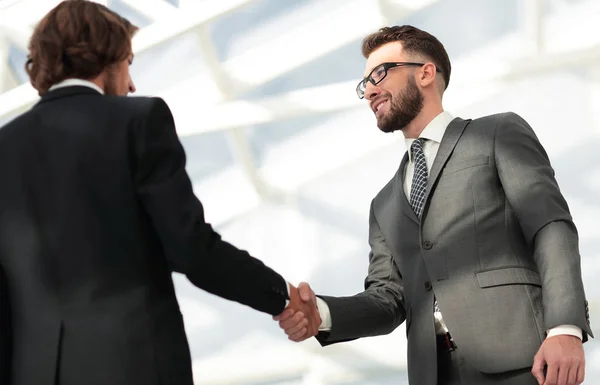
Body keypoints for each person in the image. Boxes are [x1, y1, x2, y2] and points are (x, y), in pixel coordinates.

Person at [0, 1, 320, 385]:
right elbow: (191, 248)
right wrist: (284, 297)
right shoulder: (138, 120)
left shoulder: (5, 147)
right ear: (107, 56)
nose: (131, 83)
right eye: (129, 62)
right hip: (131, 365)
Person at [275, 25, 592, 385]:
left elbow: (550, 226)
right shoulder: (384, 205)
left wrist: (564, 328)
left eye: (379, 74)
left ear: (426, 72)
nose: (370, 91)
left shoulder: (496, 133)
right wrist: (322, 312)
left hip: (523, 359)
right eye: (364, 85)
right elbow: (390, 297)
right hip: (434, 373)